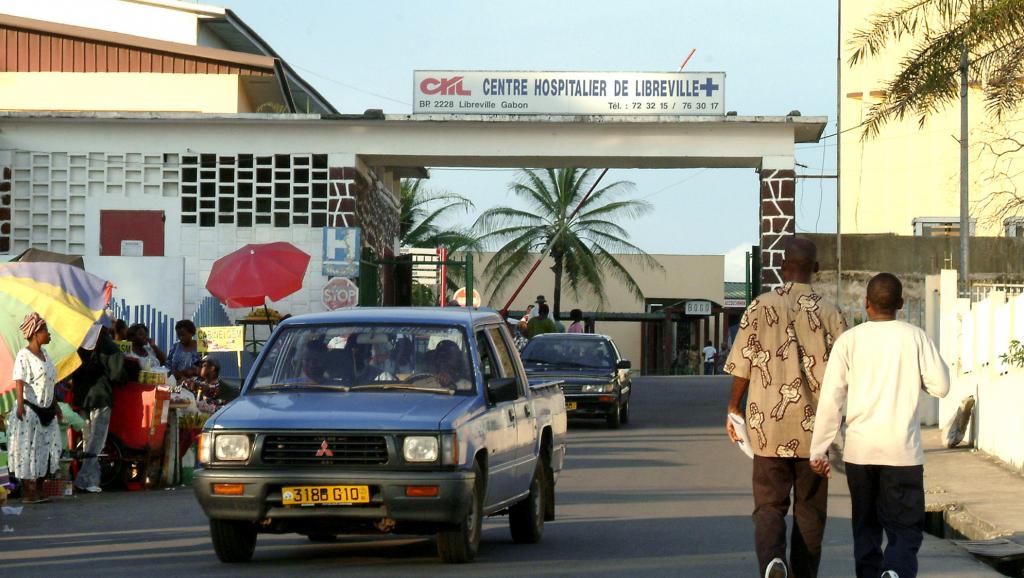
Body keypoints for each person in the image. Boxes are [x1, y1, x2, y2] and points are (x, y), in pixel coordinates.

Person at [809, 273, 950, 578]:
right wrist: (916, 379)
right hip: (902, 454)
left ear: (866, 303)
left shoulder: (849, 341)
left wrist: (818, 449)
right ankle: (895, 571)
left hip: (860, 453)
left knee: (866, 529)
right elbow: (941, 386)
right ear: (901, 303)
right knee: (906, 530)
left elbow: (831, 399)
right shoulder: (915, 337)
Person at [724, 237, 847, 578]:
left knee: (768, 505)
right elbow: (846, 372)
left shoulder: (759, 306)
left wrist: (734, 407)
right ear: (816, 268)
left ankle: (773, 561)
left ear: (781, 268)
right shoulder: (830, 312)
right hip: (815, 432)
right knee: (810, 511)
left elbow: (742, 365)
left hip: (767, 429)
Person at [7, 313, 62, 504]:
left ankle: (39, 488)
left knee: (47, 448)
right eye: (45, 330)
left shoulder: (45, 354)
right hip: (29, 410)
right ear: (35, 333)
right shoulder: (24, 355)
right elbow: (19, 380)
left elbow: (50, 382)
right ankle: (27, 492)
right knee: (26, 450)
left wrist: (56, 406)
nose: (49, 334)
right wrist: (20, 405)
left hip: (47, 409)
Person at [71, 327, 125, 494]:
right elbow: (117, 374)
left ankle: (92, 480)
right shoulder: (110, 346)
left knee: (88, 439)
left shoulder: (81, 344)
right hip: (101, 397)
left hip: (82, 397)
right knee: (97, 441)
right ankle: (83, 479)